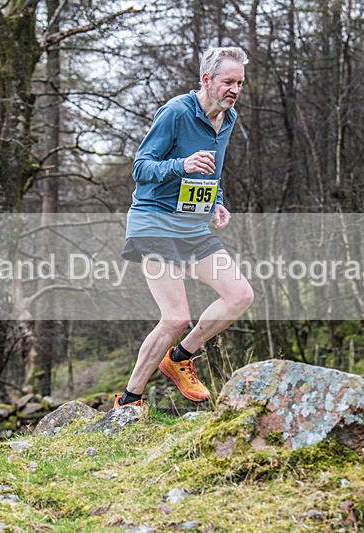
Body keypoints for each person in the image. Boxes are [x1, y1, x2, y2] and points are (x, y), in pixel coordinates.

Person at [114, 46, 254, 409]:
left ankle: (178, 358)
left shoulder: (229, 118)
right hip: (154, 221)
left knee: (240, 296)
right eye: (228, 81)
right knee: (175, 317)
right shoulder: (176, 112)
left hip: (192, 224)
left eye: (239, 82)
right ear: (206, 80)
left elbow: (213, 170)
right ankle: (129, 400)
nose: (235, 89)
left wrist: (218, 200)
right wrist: (181, 165)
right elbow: (141, 168)